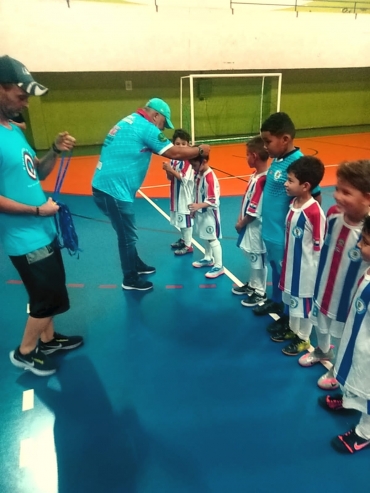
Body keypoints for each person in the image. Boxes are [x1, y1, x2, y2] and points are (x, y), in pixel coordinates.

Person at [0, 55, 83, 377]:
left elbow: (37, 173)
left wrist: (54, 150)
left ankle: (48, 340)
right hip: (25, 236)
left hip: (42, 228)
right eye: (21, 96)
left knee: (53, 290)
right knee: (46, 298)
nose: (27, 104)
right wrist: (37, 210)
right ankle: (24, 352)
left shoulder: (13, 129)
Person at [92, 98, 210, 291]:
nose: (162, 130)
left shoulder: (130, 120)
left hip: (106, 187)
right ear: (156, 116)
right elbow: (174, 152)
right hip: (113, 191)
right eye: (163, 124)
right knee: (127, 236)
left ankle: (135, 264)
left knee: (125, 231)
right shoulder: (146, 127)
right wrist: (199, 150)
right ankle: (130, 279)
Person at [299, 160, 370, 390]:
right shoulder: (332, 215)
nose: (337, 196)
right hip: (324, 287)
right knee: (320, 322)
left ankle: (338, 367)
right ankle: (322, 350)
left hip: (348, 299)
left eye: (346, 192)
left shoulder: (367, 233)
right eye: (337, 189)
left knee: (345, 335)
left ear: (367, 198)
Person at [254, 112, 321, 330]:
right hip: (271, 232)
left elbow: (315, 196)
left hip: (286, 236)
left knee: (288, 276)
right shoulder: (277, 160)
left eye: (268, 141)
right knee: (276, 270)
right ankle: (276, 301)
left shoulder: (299, 164)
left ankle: (288, 315)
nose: (265, 147)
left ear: (285, 139)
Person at [318, 213, 370, 454]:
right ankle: (350, 401)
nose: (360, 246)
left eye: (366, 243)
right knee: (354, 372)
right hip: (357, 338)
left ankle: (364, 433)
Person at [270, 156, 326, 356]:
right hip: (291, 266)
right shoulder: (293, 204)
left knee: (304, 305)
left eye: (290, 180)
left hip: (306, 271)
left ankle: (303, 338)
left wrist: (316, 275)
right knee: (292, 301)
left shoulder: (314, 212)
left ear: (306, 185)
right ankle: (293, 330)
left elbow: (319, 247)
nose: (286, 183)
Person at [232, 136, 268, 307]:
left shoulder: (263, 180)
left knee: (258, 257)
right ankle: (253, 285)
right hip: (250, 226)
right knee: (253, 256)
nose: (246, 158)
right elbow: (247, 200)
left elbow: (255, 210)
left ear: (254, 156)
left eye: (247, 155)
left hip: (256, 227)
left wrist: (241, 222)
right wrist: (240, 216)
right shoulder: (255, 176)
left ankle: (260, 291)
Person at [188, 155, 224, 279]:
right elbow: (196, 192)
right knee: (205, 236)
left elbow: (213, 200)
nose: (193, 168)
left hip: (209, 214)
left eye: (194, 165)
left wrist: (198, 206)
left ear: (203, 162)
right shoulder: (198, 174)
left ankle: (219, 265)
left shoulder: (209, 177)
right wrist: (194, 208)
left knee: (212, 238)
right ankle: (208, 258)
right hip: (201, 212)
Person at [162, 129, 194, 255]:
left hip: (185, 195)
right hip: (175, 193)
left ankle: (188, 245)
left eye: (183, 144)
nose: (180, 147)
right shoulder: (174, 160)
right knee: (179, 218)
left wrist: (171, 170)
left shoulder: (189, 160)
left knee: (186, 219)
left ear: (189, 145)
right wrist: (167, 170)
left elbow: (184, 178)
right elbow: (170, 178)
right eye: (177, 144)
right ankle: (183, 239)